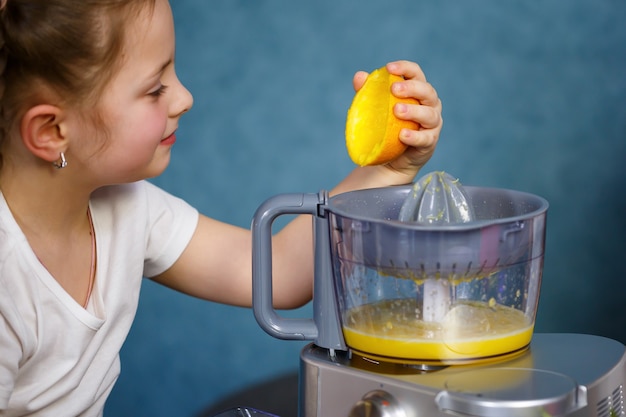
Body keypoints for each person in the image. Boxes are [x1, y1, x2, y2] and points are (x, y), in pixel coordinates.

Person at [0, 0, 443, 415]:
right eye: (156, 89)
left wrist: (388, 169)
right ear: (51, 130)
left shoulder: (127, 208)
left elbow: (277, 274)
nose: (184, 98)